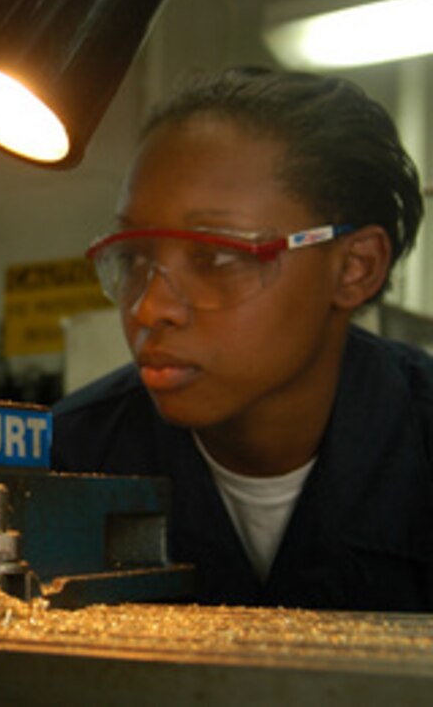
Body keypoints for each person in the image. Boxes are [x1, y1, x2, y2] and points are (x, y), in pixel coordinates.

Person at [50, 67, 433, 611]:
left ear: (355, 267)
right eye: (134, 258)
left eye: (215, 257)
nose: (149, 308)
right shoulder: (68, 463)